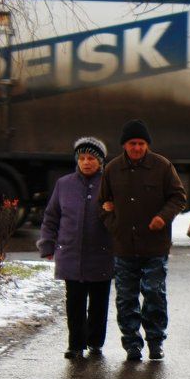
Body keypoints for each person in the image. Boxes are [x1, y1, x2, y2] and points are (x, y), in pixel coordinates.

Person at [99, 119, 186, 362]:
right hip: (124, 246)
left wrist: (163, 217)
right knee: (126, 297)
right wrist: (112, 223)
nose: (136, 148)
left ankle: (156, 341)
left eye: (141, 143)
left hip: (154, 246)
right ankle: (131, 344)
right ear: (124, 145)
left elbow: (178, 197)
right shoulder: (112, 169)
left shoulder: (162, 166)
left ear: (147, 145)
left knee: (154, 293)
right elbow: (102, 204)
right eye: (132, 143)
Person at [37, 137, 115, 360]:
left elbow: (119, 218)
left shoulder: (109, 184)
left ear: (100, 161)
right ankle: (75, 345)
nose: (86, 162)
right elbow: (51, 217)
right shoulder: (64, 184)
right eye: (82, 158)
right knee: (75, 303)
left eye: (91, 158)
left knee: (99, 303)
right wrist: (48, 244)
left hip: (101, 253)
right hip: (70, 253)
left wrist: (112, 209)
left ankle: (95, 342)